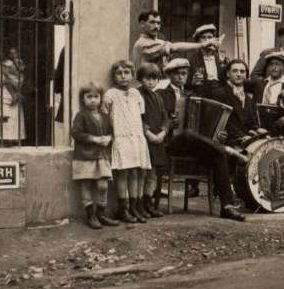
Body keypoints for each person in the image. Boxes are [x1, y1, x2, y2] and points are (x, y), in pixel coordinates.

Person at [159, 58, 247, 222]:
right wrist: (168, 124)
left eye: (184, 73)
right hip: (171, 143)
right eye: (177, 74)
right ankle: (228, 150)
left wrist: (219, 135)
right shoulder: (161, 95)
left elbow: (207, 123)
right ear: (169, 75)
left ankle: (227, 207)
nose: (180, 77)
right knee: (187, 134)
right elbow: (157, 120)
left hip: (194, 144)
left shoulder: (192, 94)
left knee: (217, 155)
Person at [102, 60, 152, 224]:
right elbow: (105, 118)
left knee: (137, 173)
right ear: (114, 76)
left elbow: (141, 116)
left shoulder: (137, 95)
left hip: (136, 138)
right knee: (122, 174)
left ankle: (135, 207)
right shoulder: (110, 94)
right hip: (121, 137)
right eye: (119, 73)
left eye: (126, 73)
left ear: (132, 75)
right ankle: (123, 209)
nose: (123, 76)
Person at [70, 83, 119, 230]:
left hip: (102, 156)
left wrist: (109, 138)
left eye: (96, 96)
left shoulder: (104, 116)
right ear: (83, 99)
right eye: (89, 97)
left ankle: (101, 215)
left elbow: (111, 131)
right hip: (85, 156)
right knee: (86, 184)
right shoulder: (81, 116)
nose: (93, 100)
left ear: (101, 98)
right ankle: (90, 216)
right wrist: (94, 139)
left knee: (102, 185)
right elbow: (76, 134)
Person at [131, 10, 217, 71]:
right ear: (142, 24)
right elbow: (174, 47)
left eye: (158, 23)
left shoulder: (159, 42)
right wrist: (203, 44)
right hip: (147, 87)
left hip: (159, 85)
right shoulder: (142, 44)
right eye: (152, 22)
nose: (156, 26)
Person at [137, 62, 169, 218]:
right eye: (147, 78)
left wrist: (163, 132)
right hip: (144, 139)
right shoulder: (137, 95)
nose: (151, 82)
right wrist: (148, 133)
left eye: (154, 79)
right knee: (143, 172)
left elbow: (165, 117)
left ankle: (148, 203)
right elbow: (137, 118)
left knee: (154, 174)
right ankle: (139, 205)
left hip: (158, 140)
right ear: (140, 79)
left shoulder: (158, 97)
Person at [211, 59, 262, 146]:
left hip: (246, 141)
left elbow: (251, 121)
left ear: (246, 75)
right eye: (235, 71)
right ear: (228, 73)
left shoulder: (248, 98)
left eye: (242, 72)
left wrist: (257, 130)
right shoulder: (218, 94)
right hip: (227, 142)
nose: (239, 74)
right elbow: (223, 122)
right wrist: (243, 136)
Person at [0, 41, 26, 142]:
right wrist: (9, 82)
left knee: (16, 134)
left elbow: (20, 79)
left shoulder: (8, 65)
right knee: (4, 133)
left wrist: (15, 88)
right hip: (1, 101)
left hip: (15, 100)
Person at [185, 23, 230, 97]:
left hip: (220, 95)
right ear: (198, 42)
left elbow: (227, 78)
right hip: (202, 95)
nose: (207, 41)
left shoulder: (220, 57)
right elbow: (185, 84)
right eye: (203, 38)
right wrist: (192, 82)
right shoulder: (191, 59)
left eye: (210, 37)